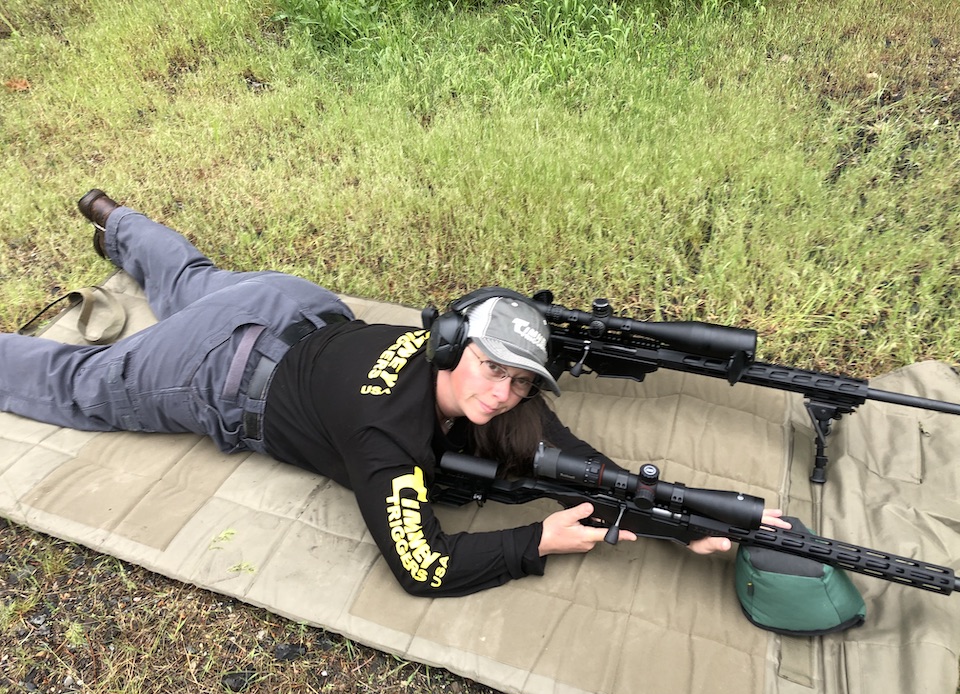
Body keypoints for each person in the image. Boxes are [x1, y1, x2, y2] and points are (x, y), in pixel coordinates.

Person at [0, 189, 790, 597]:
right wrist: (536, 543)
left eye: (521, 380)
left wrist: (671, 520)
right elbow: (423, 566)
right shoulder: (387, 440)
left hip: (287, 304)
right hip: (221, 367)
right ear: (451, 347)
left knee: (192, 280)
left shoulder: (493, 385)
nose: (504, 394)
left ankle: (113, 219)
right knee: (81, 385)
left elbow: (566, 456)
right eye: (491, 370)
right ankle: (107, 233)